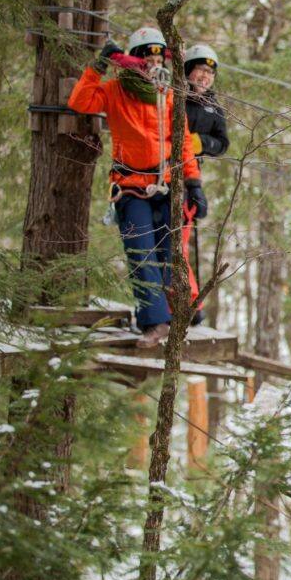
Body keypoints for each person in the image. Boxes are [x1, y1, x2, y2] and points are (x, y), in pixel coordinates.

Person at [68, 27, 204, 348]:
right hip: (130, 187)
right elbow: (80, 100)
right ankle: (154, 322)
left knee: (170, 254)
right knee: (141, 254)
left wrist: (195, 183)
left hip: (167, 184)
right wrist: (99, 65)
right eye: (147, 55)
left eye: (158, 56)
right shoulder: (116, 91)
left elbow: (183, 141)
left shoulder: (168, 94)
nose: (153, 62)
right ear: (133, 59)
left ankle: (175, 314)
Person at [182, 44, 228, 324]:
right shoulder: (174, 98)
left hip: (191, 173)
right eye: (200, 70)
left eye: (209, 73)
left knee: (181, 240)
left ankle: (189, 303)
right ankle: (182, 303)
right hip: (165, 170)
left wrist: (202, 143)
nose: (204, 77)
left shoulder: (213, 107)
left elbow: (223, 144)